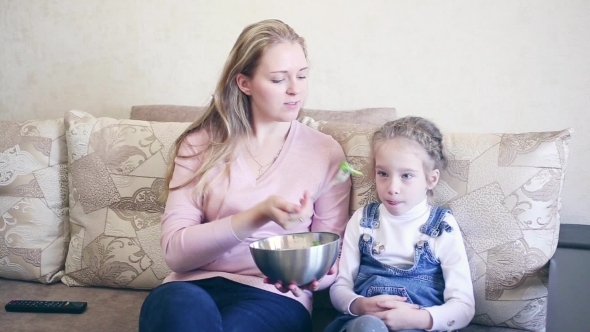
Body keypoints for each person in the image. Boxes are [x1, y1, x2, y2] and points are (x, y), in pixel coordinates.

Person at [138, 19, 351, 332]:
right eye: (279, 79)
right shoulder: (200, 144)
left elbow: (333, 262)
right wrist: (257, 215)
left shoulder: (326, 152)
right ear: (244, 83)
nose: (296, 89)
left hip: (273, 296)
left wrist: (314, 273)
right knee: (182, 312)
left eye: (302, 75)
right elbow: (175, 253)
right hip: (189, 288)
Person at [325, 117, 475, 332]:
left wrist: (417, 320)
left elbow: (463, 307)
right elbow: (340, 286)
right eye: (383, 174)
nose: (392, 187)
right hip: (364, 323)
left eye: (406, 175)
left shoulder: (442, 226)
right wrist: (359, 305)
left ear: (431, 179)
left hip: (419, 325)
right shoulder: (363, 220)